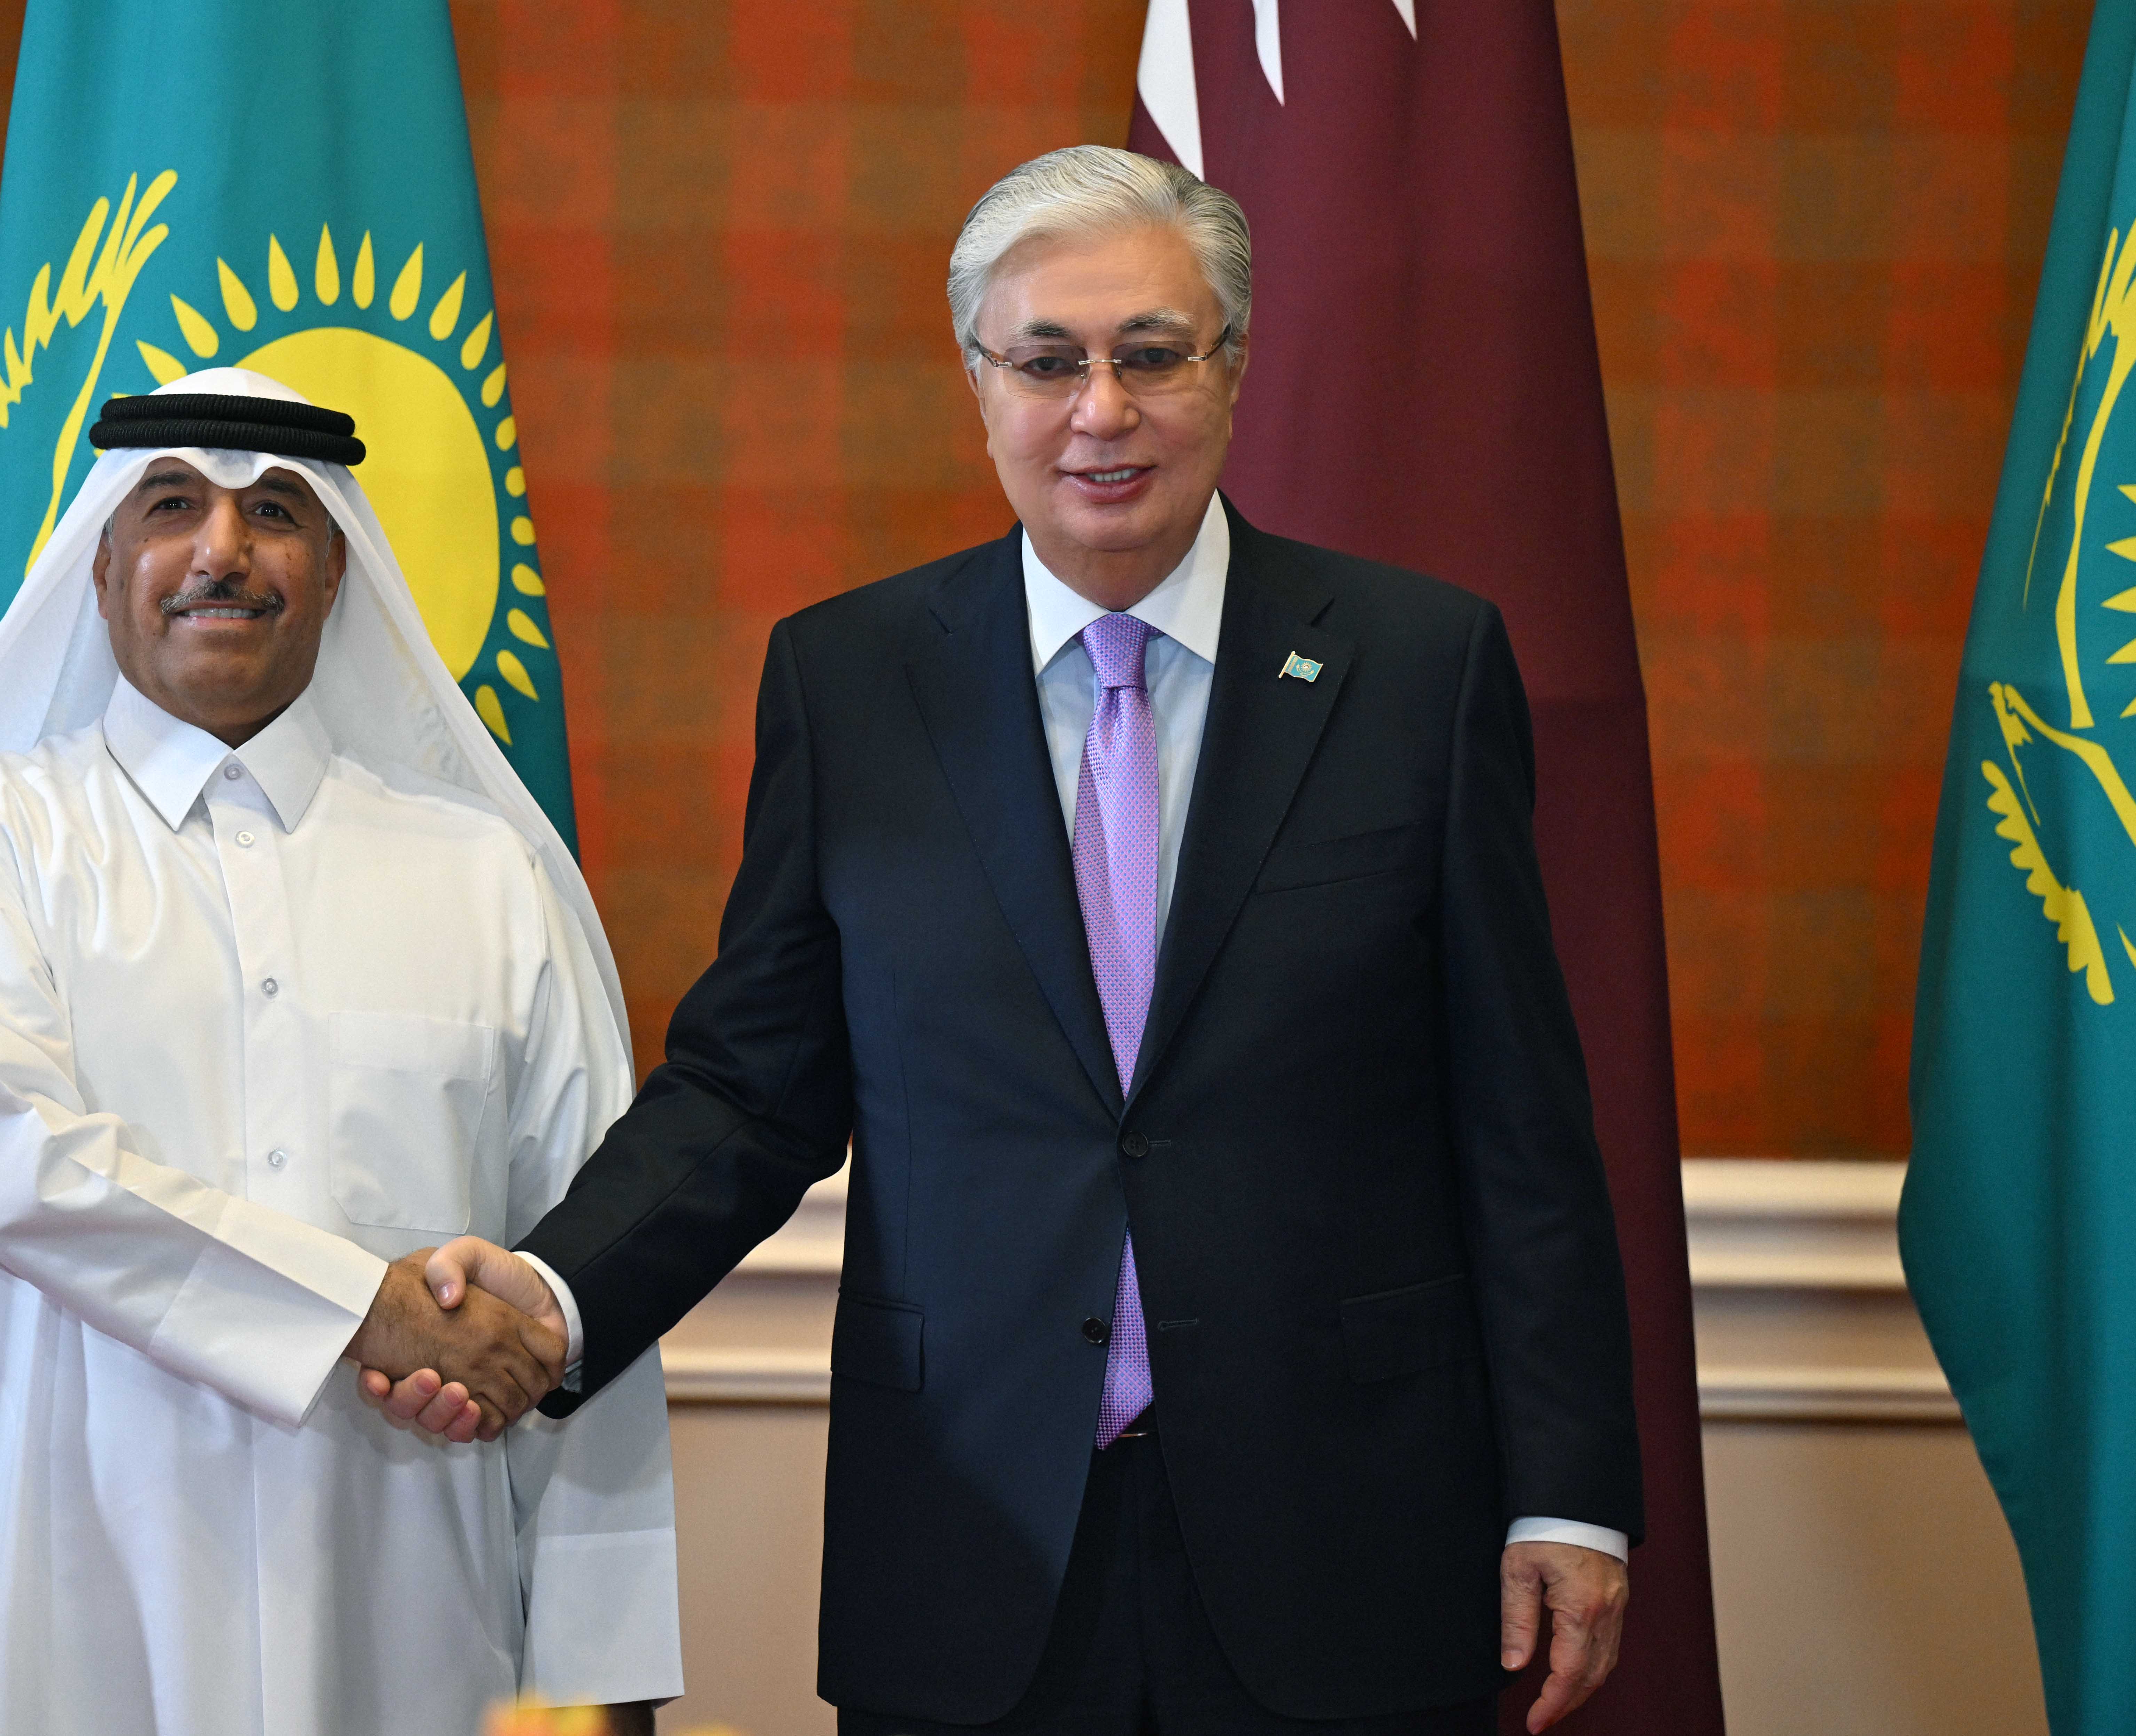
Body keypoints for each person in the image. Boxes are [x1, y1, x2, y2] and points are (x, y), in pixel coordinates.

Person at [368, 147, 1642, 1736]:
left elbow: (1517, 1116)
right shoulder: (851, 681)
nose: (1100, 411)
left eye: (1151, 354)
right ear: (979, 386)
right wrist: (556, 1295)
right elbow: (755, 1089)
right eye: (1046, 362)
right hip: (971, 1540)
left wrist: (1568, 1491)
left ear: (1232, 368)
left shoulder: (1416, 666)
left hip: (1349, 1530)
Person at [0, 369, 679, 1736]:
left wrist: (605, 1688)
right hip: (56, 1623)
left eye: (279, 513)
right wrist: (370, 1310)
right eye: (173, 505)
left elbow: (581, 1282)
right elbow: (12, 1165)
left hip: (406, 1632)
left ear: (338, 571)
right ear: (101, 566)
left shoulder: (489, 877)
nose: (224, 552)